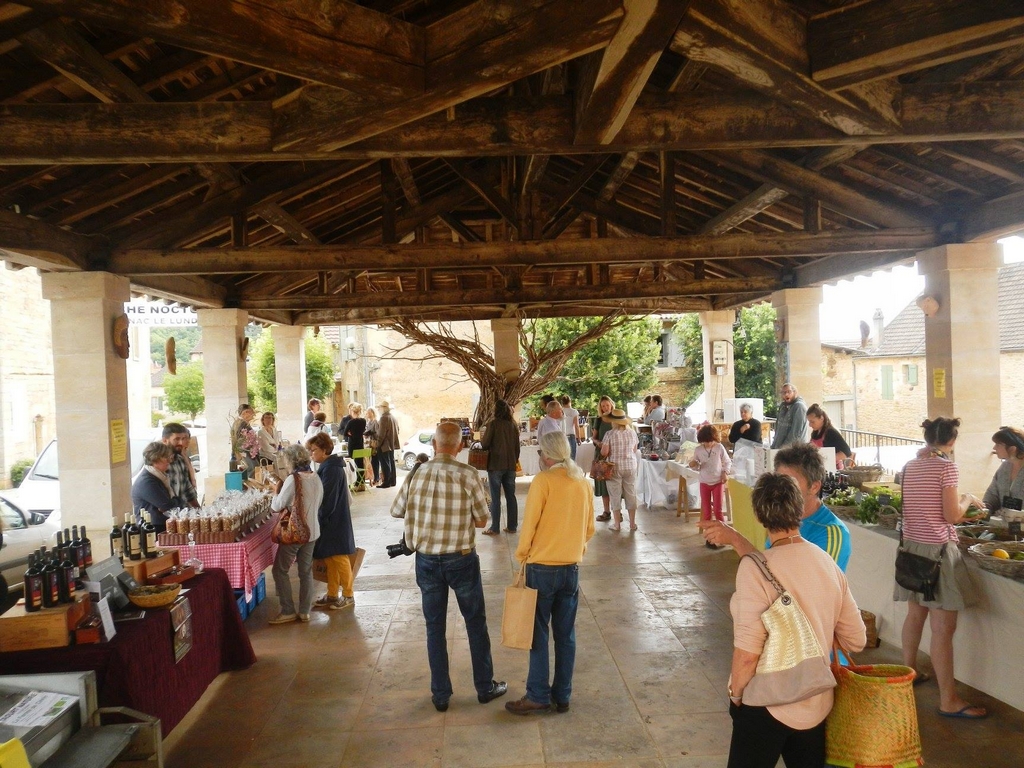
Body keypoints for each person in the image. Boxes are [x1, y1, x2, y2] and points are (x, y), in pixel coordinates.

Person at [726, 472, 866, 768]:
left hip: (766, 703)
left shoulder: (755, 568)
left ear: (759, 515)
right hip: (816, 699)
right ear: (798, 509)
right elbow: (856, 640)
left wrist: (736, 695)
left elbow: (748, 655)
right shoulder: (825, 561)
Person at [389, 422, 507, 712]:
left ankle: (441, 694)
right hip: (461, 559)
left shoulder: (417, 473)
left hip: (426, 560)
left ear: (434, 445)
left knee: (434, 627)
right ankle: (484, 686)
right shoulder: (468, 475)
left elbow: (397, 510)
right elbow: (483, 521)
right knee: (475, 623)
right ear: (460, 447)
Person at [897, 417, 986, 719]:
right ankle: (948, 700)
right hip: (937, 553)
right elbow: (951, 516)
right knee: (943, 629)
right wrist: (968, 499)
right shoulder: (946, 467)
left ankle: (909, 671)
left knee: (915, 614)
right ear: (952, 440)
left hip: (912, 548)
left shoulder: (911, 466)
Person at [505, 432, 595, 715]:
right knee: (566, 635)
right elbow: (590, 527)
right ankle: (563, 695)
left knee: (538, 634)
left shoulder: (543, 481)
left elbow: (529, 524)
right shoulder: (582, 482)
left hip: (542, 568)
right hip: (571, 569)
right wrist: (575, 548)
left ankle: (538, 695)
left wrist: (521, 556)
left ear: (545, 455)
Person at [703, 442, 851, 571]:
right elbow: (772, 570)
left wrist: (736, 540)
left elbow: (794, 588)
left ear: (814, 487)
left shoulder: (831, 533)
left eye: (790, 483)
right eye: (778, 480)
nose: (779, 489)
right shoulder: (782, 519)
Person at [269, 444, 324, 625]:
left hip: (295, 532)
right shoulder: (315, 477)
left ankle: (288, 610)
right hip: (313, 531)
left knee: (280, 570)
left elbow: (277, 506)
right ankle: (304, 611)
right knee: (305, 571)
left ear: (291, 461)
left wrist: (275, 492)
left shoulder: (293, 480)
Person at [307, 432, 356, 610]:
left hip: (334, 520)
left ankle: (348, 594)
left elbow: (329, 498)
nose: (312, 454)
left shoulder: (332, 469)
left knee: (340, 557)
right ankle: (333, 593)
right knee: (329, 558)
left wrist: (320, 517)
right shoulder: (327, 467)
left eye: (314, 450)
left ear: (324, 449)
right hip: (329, 519)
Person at [481, 399, 520, 536]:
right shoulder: (513, 425)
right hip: (510, 465)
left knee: (495, 497)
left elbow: (485, 444)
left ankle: (495, 527)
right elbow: (517, 447)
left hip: (496, 464)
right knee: (511, 496)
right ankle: (512, 526)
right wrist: (514, 460)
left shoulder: (493, 424)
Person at [690, 424, 731, 544]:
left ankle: (723, 535)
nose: (707, 444)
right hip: (704, 482)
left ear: (715, 438)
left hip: (718, 482)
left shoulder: (719, 447)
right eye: (705, 442)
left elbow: (727, 461)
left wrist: (725, 472)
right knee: (706, 511)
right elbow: (697, 466)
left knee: (718, 510)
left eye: (710, 441)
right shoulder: (698, 450)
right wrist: (694, 464)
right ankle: (709, 537)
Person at [601, 408, 638, 532]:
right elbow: (634, 449)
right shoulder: (632, 433)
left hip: (614, 467)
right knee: (631, 493)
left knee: (615, 494)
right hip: (630, 466)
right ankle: (632, 523)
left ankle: (617, 524)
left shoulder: (609, 434)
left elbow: (604, 452)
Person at [131, 441, 175, 533]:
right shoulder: (147, 481)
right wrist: (175, 502)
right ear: (155, 459)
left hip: (160, 525)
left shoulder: (160, 476)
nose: (169, 461)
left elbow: (169, 504)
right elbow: (167, 505)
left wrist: (174, 502)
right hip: (152, 529)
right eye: (165, 457)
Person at [982, 426, 1024, 515]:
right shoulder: (1004, 467)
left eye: (998, 445)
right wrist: (983, 509)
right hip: (1004, 525)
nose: (994, 448)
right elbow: (992, 495)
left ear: (1013, 449)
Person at [161, 423, 199, 508]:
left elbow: (189, 492)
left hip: (183, 514)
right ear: (165, 440)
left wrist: (200, 512)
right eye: (176, 439)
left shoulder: (180, 460)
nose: (181, 443)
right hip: (166, 517)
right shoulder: (159, 464)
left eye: (183, 439)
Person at [590, 396, 616, 521]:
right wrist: (599, 443)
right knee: (603, 483)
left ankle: (618, 511)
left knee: (616, 482)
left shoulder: (617, 418)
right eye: (603, 405)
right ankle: (606, 511)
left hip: (615, 454)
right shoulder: (598, 420)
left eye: (607, 405)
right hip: (601, 454)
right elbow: (594, 437)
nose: (605, 407)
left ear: (611, 405)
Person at [806, 404, 851, 468]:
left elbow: (847, 452)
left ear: (821, 418)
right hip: (821, 468)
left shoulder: (831, 432)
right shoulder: (815, 432)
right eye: (809, 422)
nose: (810, 425)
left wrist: (826, 459)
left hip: (833, 469)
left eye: (812, 422)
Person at [771, 383, 808, 448]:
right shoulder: (782, 406)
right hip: (779, 447)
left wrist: (784, 448)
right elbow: (778, 428)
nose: (786, 394)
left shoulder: (799, 407)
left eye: (789, 392)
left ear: (795, 392)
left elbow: (796, 433)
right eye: (783, 392)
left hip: (793, 449)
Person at [376, 401, 400, 488]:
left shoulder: (384, 418)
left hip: (384, 445)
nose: (378, 409)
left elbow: (381, 434)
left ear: (383, 408)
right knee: (391, 463)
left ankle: (386, 482)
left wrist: (377, 445)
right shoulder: (393, 417)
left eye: (379, 407)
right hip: (392, 444)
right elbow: (398, 430)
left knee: (385, 464)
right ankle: (392, 481)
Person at [344, 403, 368, 489]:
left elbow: (345, 433)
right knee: (360, 463)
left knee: (352, 464)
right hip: (360, 443)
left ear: (353, 412)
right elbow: (363, 431)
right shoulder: (363, 421)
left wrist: (351, 434)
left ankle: (353, 483)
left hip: (352, 444)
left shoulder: (351, 422)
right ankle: (361, 484)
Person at [233, 403, 259, 479]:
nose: (253, 414)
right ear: (245, 412)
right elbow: (241, 442)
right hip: (246, 453)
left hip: (246, 452)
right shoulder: (241, 424)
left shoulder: (240, 422)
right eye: (251, 411)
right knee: (252, 470)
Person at [558, 395, 580, 461]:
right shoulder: (574, 411)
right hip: (571, 435)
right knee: (572, 459)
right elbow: (576, 426)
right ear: (570, 401)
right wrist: (578, 438)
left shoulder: (560, 411)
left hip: (561, 436)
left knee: (562, 458)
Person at [365, 407, 380, 486]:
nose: (367, 414)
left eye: (368, 412)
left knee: (375, 461)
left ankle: (377, 478)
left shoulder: (376, 422)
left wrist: (370, 433)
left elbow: (378, 434)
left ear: (372, 413)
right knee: (371, 461)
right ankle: (373, 477)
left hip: (375, 444)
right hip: (369, 443)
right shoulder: (368, 422)